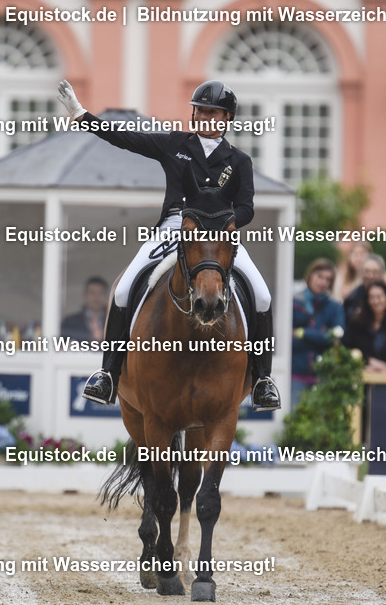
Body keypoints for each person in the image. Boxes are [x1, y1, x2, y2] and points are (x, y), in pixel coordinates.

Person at [57, 78, 280, 410]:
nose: (204, 117)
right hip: (176, 226)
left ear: (226, 118)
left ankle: (262, 379)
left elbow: (247, 207)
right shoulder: (176, 144)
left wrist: (226, 224)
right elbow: (126, 139)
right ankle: (108, 374)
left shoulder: (239, 161)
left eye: (212, 113)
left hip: (219, 233)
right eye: (200, 111)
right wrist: (82, 115)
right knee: (123, 290)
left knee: (261, 294)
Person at [291, 258, 345, 408]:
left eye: (328, 279)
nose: (323, 282)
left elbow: (336, 336)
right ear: (310, 275)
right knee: (292, 421)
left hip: (322, 376)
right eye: (320, 276)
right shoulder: (294, 302)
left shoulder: (334, 307)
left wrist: (303, 333)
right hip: (295, 374)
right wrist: (320, 334)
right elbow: (285, 338)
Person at [342, 281, 386, 372]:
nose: (376, 301)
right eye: (372, 297)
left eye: (379, 297)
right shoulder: (356, 325)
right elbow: (345, 349)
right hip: (361, 377)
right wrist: (367, 362)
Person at [342, 254, 386, 323]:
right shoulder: (352, 299)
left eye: (375, 272)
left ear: (381, 274)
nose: (370, 276)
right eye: (367, 271)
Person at [61, 276, 108, 342]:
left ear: (105, 296)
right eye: (92, 293)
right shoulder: (69, 322)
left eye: (100, 293)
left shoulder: (114, 322)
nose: (96, 297)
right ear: (85, 295)